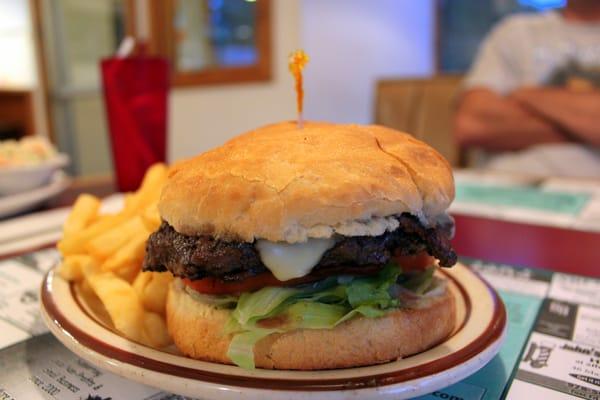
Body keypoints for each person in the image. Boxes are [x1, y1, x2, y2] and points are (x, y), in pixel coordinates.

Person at [454, 0, 600, 178]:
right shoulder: (516, 32)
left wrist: (528, 95)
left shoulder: (526, 91)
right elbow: (472, 124)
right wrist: (586, 127)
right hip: (504, 189)